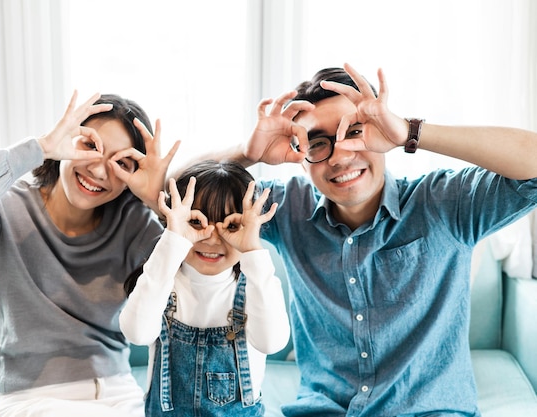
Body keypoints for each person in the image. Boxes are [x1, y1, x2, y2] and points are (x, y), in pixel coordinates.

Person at [181, 64, 537, 416]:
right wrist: (248, 152)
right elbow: (174, 194)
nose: (340, 156)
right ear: (300, 158)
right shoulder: (287, 208)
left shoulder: (444, 202)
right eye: (318, 144)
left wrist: (409, 132)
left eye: (354, 132)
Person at [0, 91, 180, 417]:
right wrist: (39, 148)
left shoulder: (133, 222)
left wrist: (157, 202)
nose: (99, 170)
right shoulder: (6, 209)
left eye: (121, 163)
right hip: (31, 398)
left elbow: (199, 277)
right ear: (69, 139)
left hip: (117, 394)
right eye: (90, 146)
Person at [119, 160, 290, 416]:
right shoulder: (163, 277)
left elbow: (271, 343)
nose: (211, 238)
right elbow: (137, 333)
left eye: (231, 226)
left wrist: (252, 250)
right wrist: (173, 241)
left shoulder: (257, 282)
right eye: (197, 223)